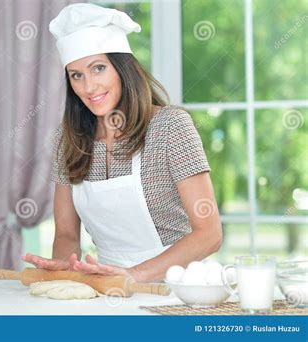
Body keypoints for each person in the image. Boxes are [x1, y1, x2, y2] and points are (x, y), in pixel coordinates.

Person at [22, 3, 222, 282]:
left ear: (122, 68)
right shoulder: (67, 139)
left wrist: (132, 275)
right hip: (108, 287)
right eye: (76, 75)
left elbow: (210, 234)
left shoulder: (169, 126)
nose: (89, 87)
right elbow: (66, 235)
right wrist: (61, 269)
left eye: (98, 69)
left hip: (177, 288)